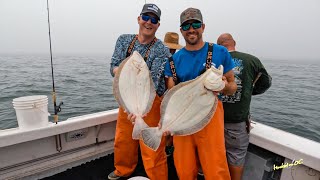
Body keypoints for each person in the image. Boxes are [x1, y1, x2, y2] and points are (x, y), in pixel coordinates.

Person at [163, 7, 237, 180]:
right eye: (186, 26)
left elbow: (233, 86)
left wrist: (223, 87)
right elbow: (171, 93)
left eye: (195, 24)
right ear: (181, 30)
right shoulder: (173, 60)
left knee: (216, 169)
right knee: (184, 169)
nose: (191, 29)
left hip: (211, 118)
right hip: (183, 118)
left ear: (203, 26)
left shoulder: (220, 52)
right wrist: (167, 123)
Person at [108, 3, 171, 180]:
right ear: (139, 19)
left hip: (150, 102)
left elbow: (153, 79)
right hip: (127, 99)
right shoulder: (123, 40)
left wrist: (140, 111)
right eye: (146, 17)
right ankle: (123, 169)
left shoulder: (161, 50)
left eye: (154, 20)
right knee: (123, 139)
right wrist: (124, 71)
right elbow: (113, 66)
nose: (148, 22)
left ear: (158, 25)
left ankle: (157, 177)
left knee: (152, 146)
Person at [217, 33, 272, 180]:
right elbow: (266, 83)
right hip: (236, 122)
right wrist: (248, 92)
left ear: (219, 45)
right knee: (236, 156)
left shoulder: (214, 60)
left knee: (212, 157)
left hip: (213, 122)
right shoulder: (252, 60)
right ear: (234, 42)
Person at [163, 32, 183, 157]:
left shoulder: (169, 59)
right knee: (170, 128)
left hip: (168, 97)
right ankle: (168, 150)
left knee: (168, 128)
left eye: (172, 49)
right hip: (174, 99)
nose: (171, 51)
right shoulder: (177, 59)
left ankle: (167, 151)